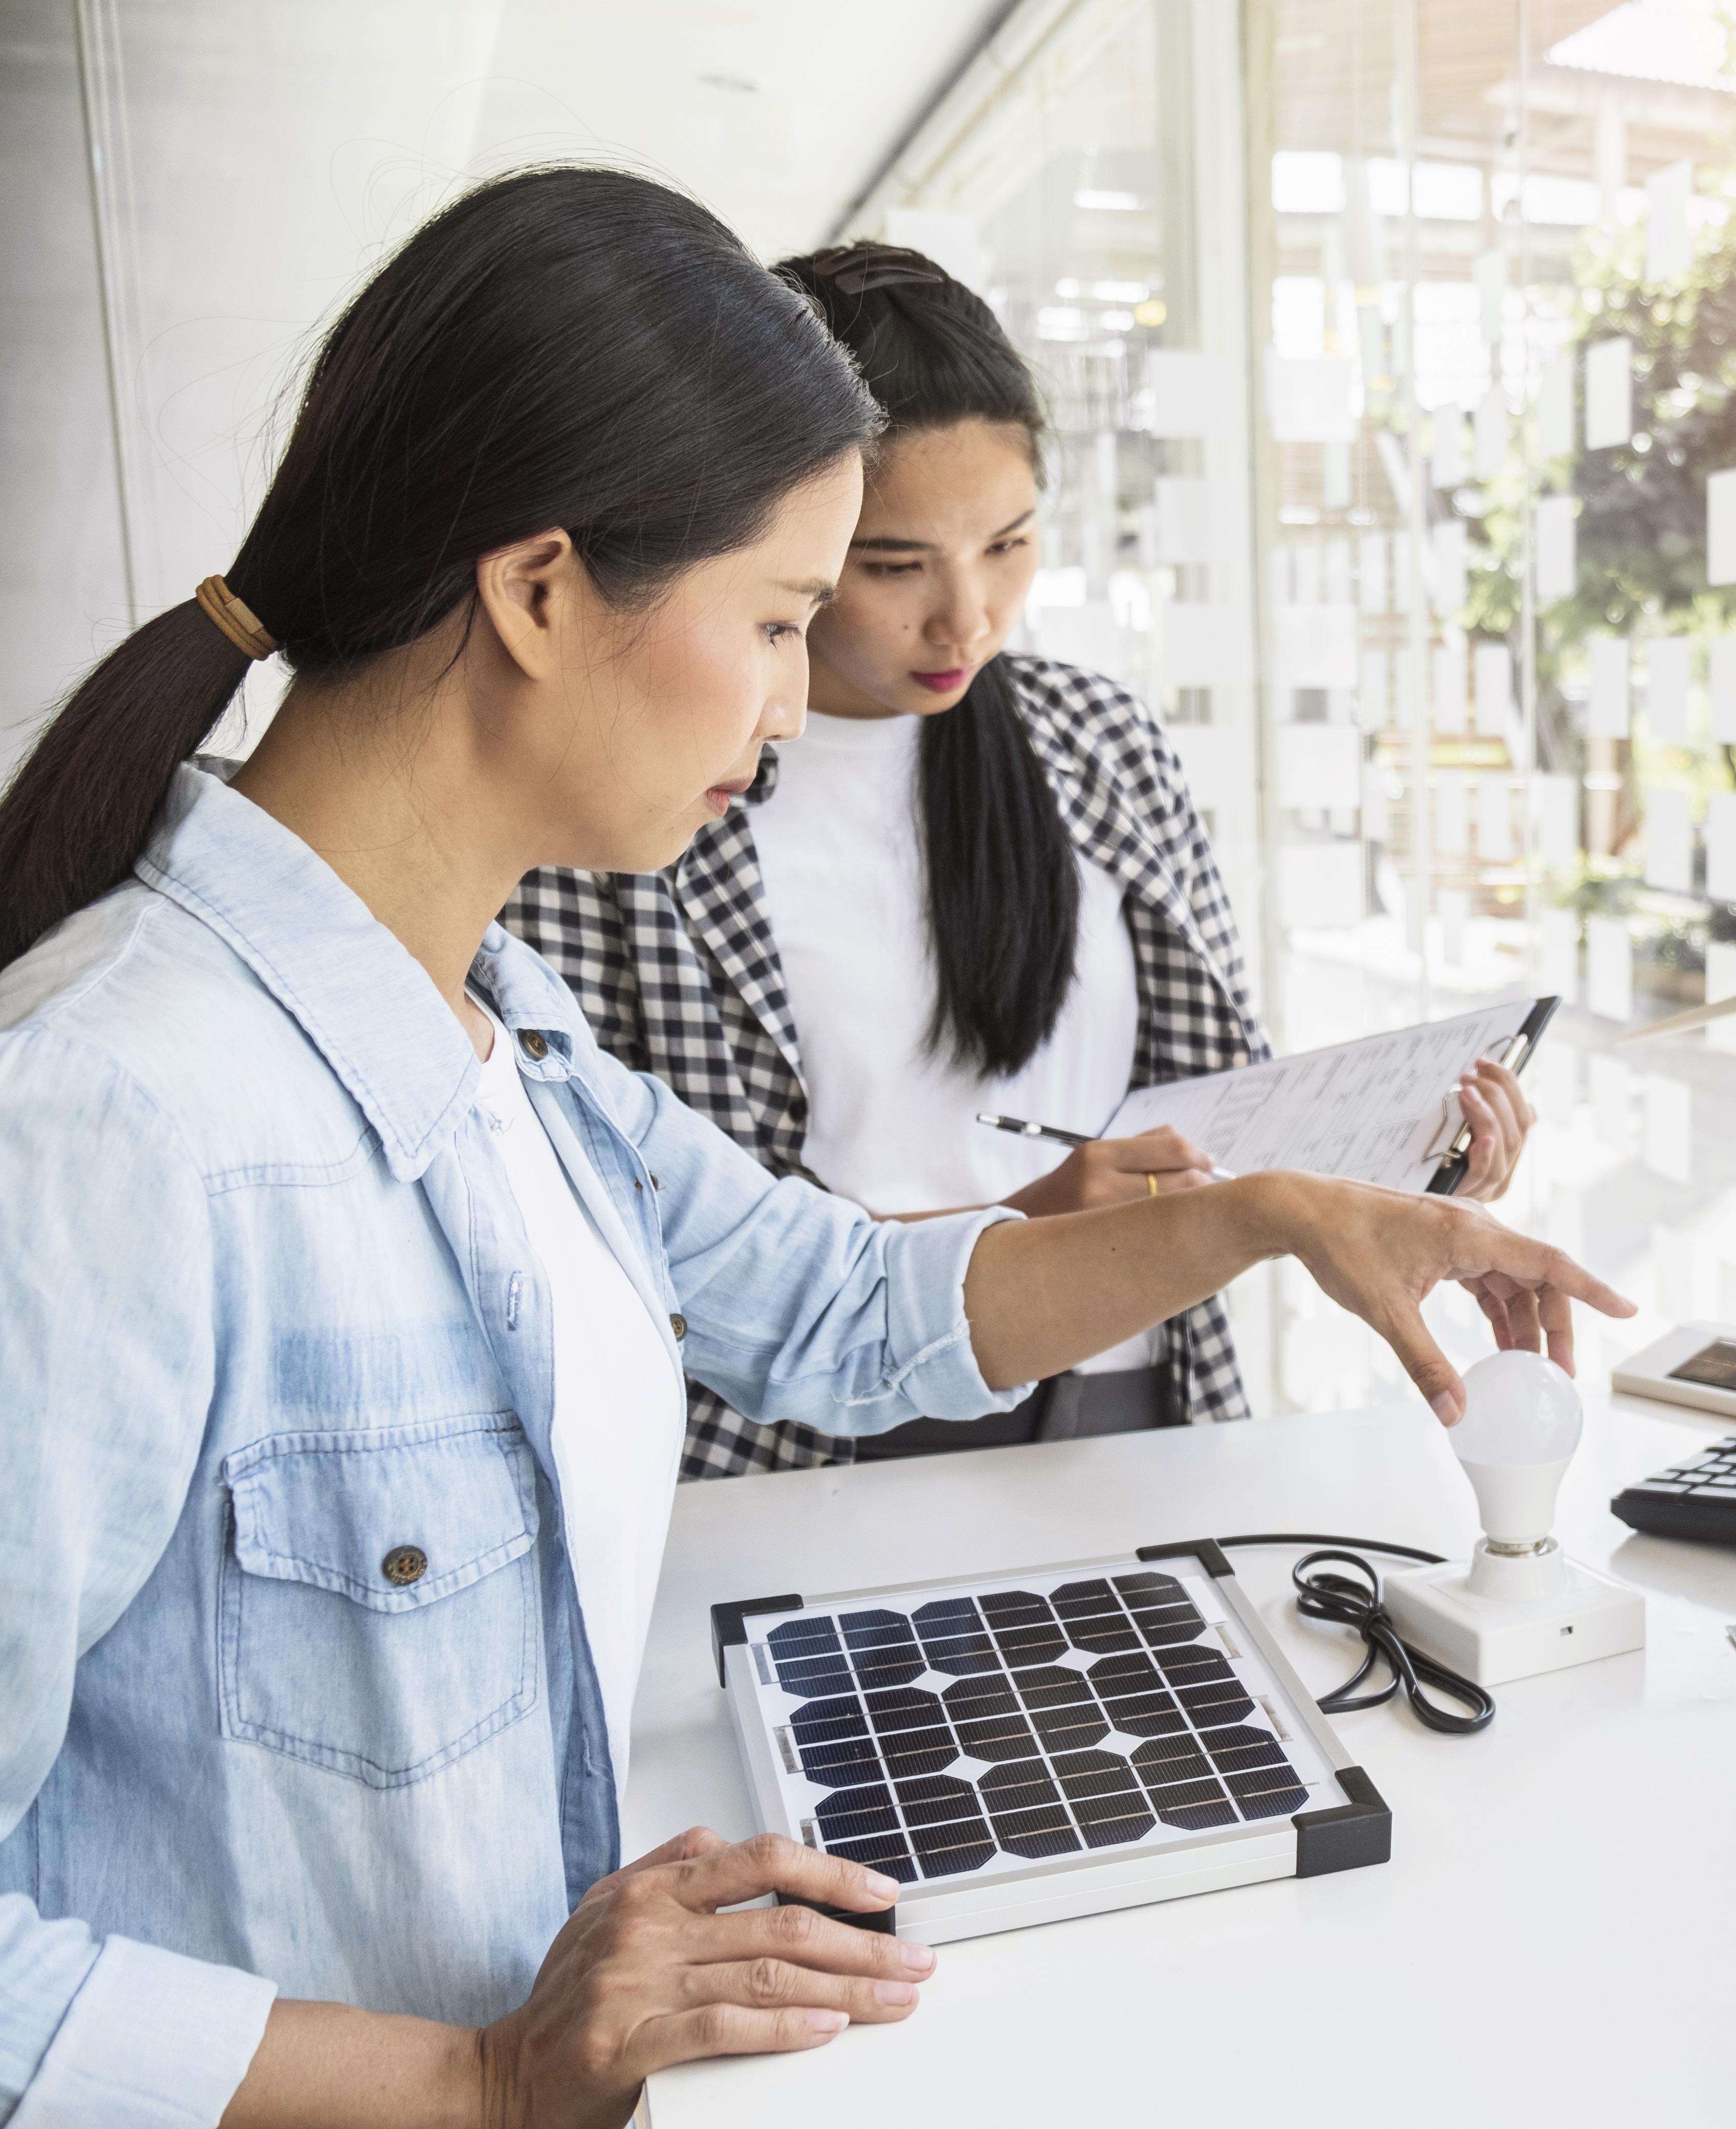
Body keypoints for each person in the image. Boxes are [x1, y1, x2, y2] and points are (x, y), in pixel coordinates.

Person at [0, 167, 1624, 2127]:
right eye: (780, 619)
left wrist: (1278, 1212)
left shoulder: (503, 1021)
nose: (790, 711)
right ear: (539, 592)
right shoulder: (105, 1122)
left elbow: (845, 1306)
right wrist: (477, 2080)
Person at [503, 240, 1535, 1474]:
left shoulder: (1094, 740)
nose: (970, 616)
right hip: (799, 1441)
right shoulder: (639, 786)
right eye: (894, 565)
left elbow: (1228, 1112)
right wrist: (1019, 1223)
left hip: (1129, 1395)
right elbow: (634, 1230)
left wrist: (1415, 1152)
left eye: (1010, 543)